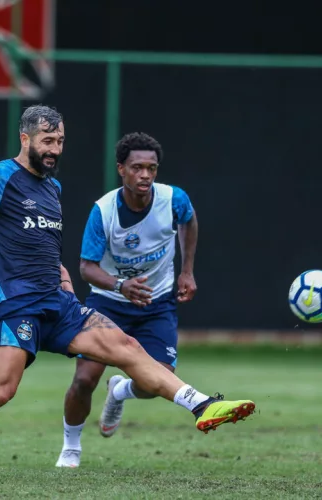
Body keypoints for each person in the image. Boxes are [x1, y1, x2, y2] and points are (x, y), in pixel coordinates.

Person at [0, 106, 255, 484]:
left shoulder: (52, 187)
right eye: (48, 141)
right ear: (25, 138)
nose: (55, 149)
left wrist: (63, 278)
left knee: (126, 346)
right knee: (0, 391)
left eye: (61, 141)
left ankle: (203, 405)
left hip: (57, 302)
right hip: (16, 306)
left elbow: (45, 245)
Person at [56, 132, 199, 468]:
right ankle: (71, 448)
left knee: (158, 379)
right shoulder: (103, 211)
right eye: (137, 168)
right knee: (84, 379)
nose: (145, 175)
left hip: (156, 302)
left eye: (151, 168)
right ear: (121, 169)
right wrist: (122, 286)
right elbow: (86, 268)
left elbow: (189, 221)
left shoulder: (173, 199)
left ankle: (120, 391)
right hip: (107, 303)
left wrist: (187, 270)